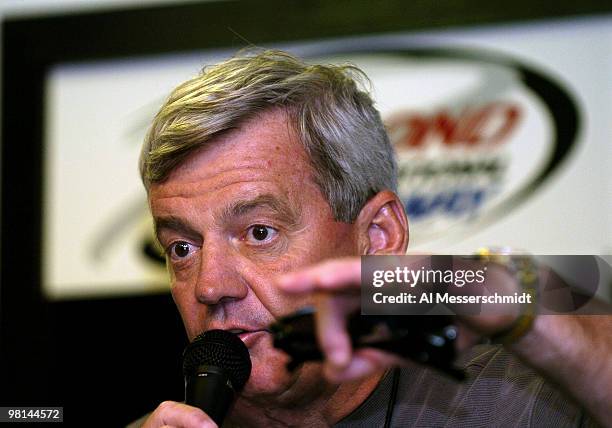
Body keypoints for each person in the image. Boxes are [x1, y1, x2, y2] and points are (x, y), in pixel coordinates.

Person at [135, 50, 611, 427]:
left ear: (377, 238)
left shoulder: (533, 398)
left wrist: (531, 309)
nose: (210, 286)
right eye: (183, 248)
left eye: (260, 233)